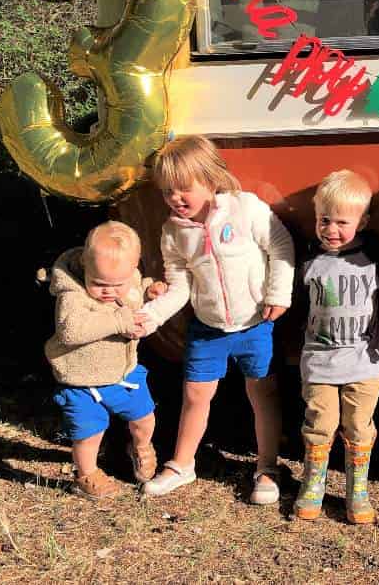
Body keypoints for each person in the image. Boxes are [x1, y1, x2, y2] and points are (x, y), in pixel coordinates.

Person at [139, 135, 295, 504]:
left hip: (255, 322)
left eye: (183, 189)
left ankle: (267, 467)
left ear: (209, 180)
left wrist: (278, 295)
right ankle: (182, 464)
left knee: (262, 393)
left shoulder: (245, 209)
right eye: (167, 192)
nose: (176, 199)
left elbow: (280, 246)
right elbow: (178, 286)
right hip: (207, 329)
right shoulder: (173, 232)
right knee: (195, 394)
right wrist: (151, 317)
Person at [293, 170, 379, 524]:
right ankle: (313, 482)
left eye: (342, 222)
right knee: (320, 421)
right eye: (324, 220)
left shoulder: (377, 256)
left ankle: (356, 489)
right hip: (319, 361)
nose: (331, 229)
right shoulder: (308, 260)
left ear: (363, 222)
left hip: (364, 362)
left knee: (359, 425)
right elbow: (300, 305)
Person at [45, 221, 159, 499]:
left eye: (117, 284)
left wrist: (148, 290)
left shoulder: (126, 279)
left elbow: (133, 292)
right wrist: (119, 321)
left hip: (124, 374)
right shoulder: (72, 295)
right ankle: (87, 473)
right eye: (99, 284)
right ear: (85, 266)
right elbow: (71, 330)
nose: (109, 291)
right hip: (83, 381)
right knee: (89, 433)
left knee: (145, 418)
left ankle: (141, 446)